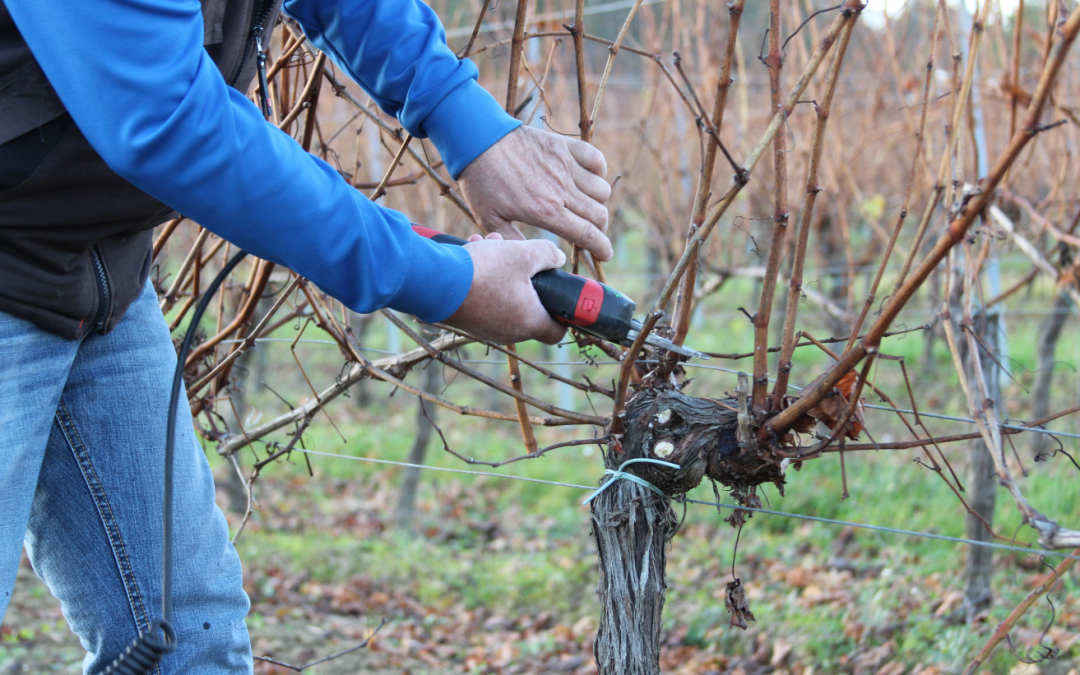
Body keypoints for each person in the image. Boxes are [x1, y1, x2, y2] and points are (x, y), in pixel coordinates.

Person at [0, 0, 611, 670]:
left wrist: (462, 115)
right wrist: (445, 284)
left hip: (92, 265)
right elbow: (166, 117)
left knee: (189, 641)